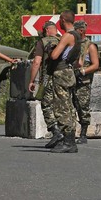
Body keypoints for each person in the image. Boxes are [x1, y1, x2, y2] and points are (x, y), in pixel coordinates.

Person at [46, 10, 81, 153]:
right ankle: (71, 140)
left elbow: (54, 56)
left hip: (61, 72)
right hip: (70, 72)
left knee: (61, 106)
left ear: (62, 19)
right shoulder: (78, 35)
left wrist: (51, 49)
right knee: (68, 106)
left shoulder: (67, 36)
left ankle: (68, 141)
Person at [28, 20, 62, 148]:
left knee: (46, 103)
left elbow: (36, 62)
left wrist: (32, 81)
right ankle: (66, 133)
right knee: (62, 104)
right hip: (63, 76)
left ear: (46, 30)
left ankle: (56, 131)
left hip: (48, 76)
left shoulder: (42, 42)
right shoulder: (63, 40)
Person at [71, 20, 100, 144]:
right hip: (71, 79)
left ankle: (83, 133)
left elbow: (95, 65)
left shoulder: (90, 46)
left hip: (83, 81)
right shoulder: (72, 44)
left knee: (83, 106)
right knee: (71, 107)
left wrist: (82, 71)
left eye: (76, 30)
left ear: (81, 30)